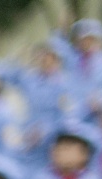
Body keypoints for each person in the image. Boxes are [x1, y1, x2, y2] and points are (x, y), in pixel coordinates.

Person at [7, 37, 79, 167]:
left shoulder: (65, 83)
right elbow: (9, 76)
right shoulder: (31, 78)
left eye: (50, 56)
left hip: (52, 139)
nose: (45, 60)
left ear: (58, 59)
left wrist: (47, 131)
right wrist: (17, 59)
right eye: (42, 56)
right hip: (29, 134)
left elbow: (70, 115)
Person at [67, 19, 102, 114]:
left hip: (101, 112)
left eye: (90, 39)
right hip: (77, 112)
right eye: (83, 39)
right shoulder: (72, 60)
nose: (86, 43)